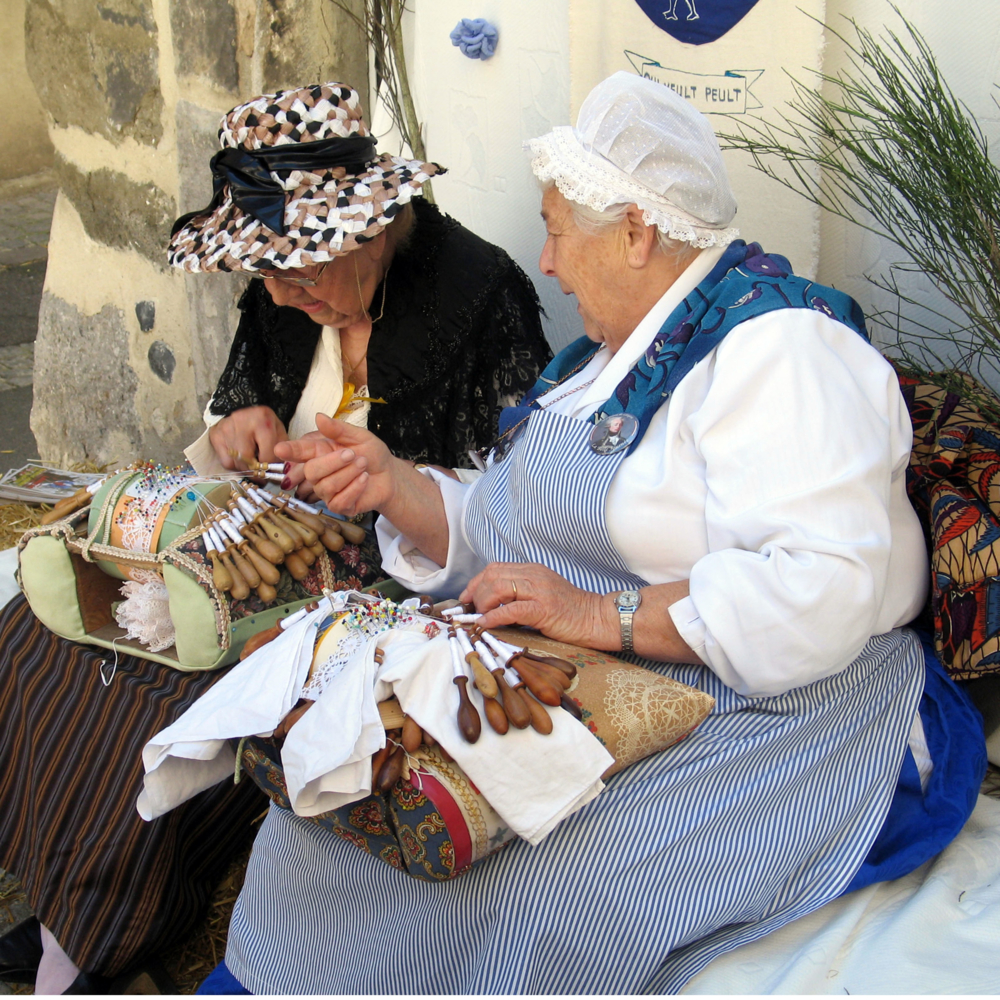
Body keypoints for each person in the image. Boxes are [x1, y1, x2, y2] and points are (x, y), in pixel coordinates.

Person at [204, 73, 986, 994]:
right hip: (602, 673)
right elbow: (508, 526)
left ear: (636, 231)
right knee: (327, 825)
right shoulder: (600, 361)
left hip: (778, 705)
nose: (545, 259)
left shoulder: (783, 352)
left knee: (530, 885)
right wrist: (392, 482)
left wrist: (605, 616)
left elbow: (820, 592)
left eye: (558, 230)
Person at [0, 82, 549, 993]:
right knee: (46, 633)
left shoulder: (480, 294)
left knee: (169, 689)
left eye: (301, 269)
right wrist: (228, 436)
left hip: (393, 584)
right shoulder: (285, 295)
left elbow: (519, 503)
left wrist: (396, 484)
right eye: (266, 271)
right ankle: (65, 903)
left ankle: (92, 940)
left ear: (368, 232)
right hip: (260, 538)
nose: (281, 293)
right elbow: (233, 431)